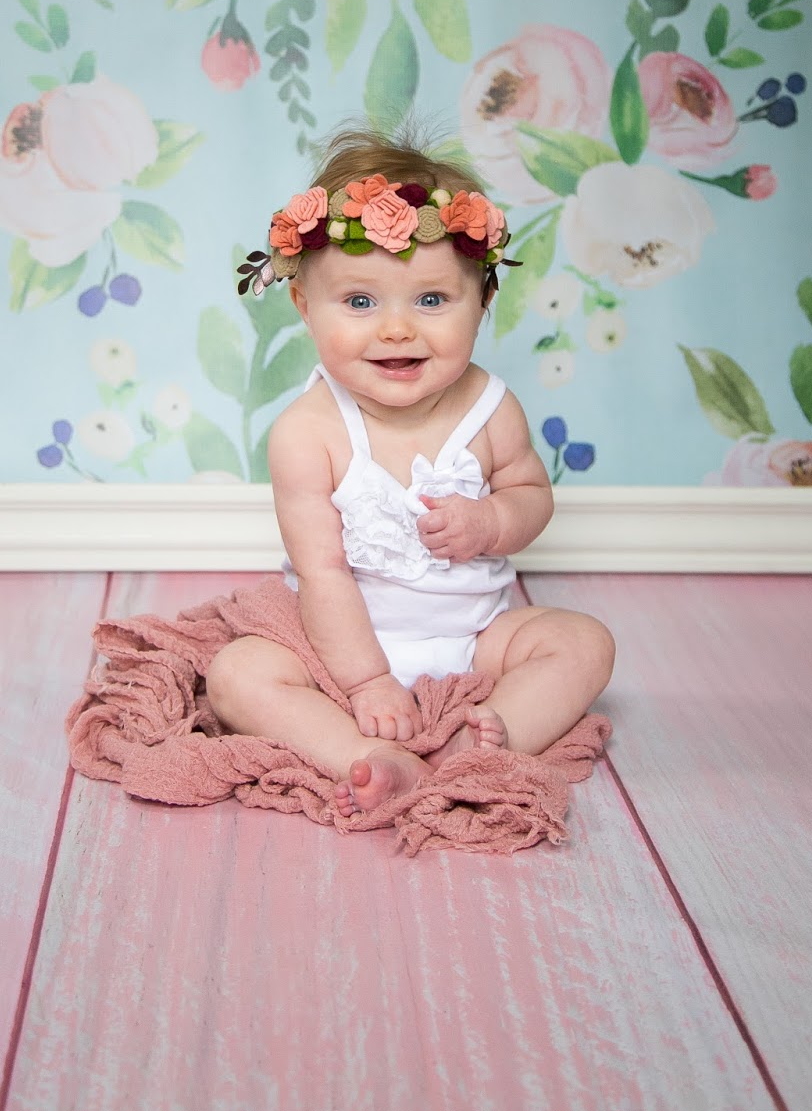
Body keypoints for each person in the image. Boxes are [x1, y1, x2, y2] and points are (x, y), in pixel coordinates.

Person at [209, 128, 615, 817]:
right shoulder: (307, 433)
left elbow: (531, 494)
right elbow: (323, 573)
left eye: (430, 300)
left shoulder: (490, 407)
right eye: (360, 302)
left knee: (584, 644)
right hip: (336, 647)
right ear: (305, 306)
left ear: (482, 301)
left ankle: (479, 745)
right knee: (237, 675)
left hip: (476, 636)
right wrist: (367, 682)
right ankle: (364, 753)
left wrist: (493, 520)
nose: (396, 329)